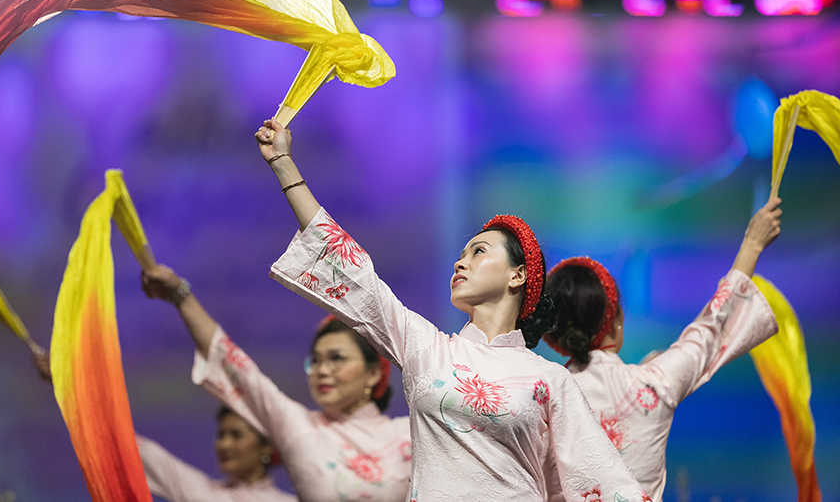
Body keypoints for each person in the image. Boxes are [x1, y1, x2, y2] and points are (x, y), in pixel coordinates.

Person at [255, 119, 651, 502]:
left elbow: (603, 479)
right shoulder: (427, 347)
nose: (460, 263)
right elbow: (356, 274)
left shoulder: (550, 380)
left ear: (518, 275)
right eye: (460, 255)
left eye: (478, 252)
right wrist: (283, 164)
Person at [542, 198, 782, 501]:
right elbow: (711, 328)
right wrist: (753, 242)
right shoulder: (653, 385)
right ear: (616, 321)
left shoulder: (542, 395)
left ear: (555, 334)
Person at [140, 262, 412, 502]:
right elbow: (235, 365)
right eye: (315, 361)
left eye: (336, 359)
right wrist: (180, 296)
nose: (322, 370)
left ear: (374, 373)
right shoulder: (299, 426)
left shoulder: (409, 435)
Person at [32, 348, 296, 502]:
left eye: (236, 435)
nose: (224, 444)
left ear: (267, 446)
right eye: (221, 434)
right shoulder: (202, 492)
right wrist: (68, 387)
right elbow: (130, 448)